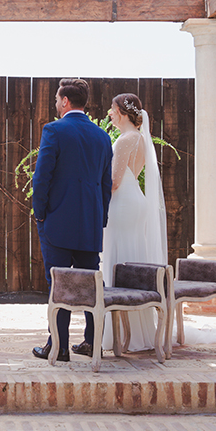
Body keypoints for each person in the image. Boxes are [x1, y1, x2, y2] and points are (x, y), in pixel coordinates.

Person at [73, 93, 168, 355]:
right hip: (133, 200)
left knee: (118, 259)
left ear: (122, 112)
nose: (109, 114)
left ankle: (115, 336)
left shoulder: (126, 139)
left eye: (112, 110)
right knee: (131, 256)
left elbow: (114, 181)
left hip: (123, 203)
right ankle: (132, 330)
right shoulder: (139, 138)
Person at [31, 78, 113, 362]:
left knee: (59, 283)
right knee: (91, 286)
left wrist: (40, 213)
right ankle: (93, 343)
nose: (56, 104)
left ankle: (59, 347)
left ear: (65, 101)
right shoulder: (102, 137)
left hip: (57, 221)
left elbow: (42, 177)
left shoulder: (54, 130)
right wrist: (100, 219)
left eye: (57, 99)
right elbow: (106, 185)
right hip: (90, 224)